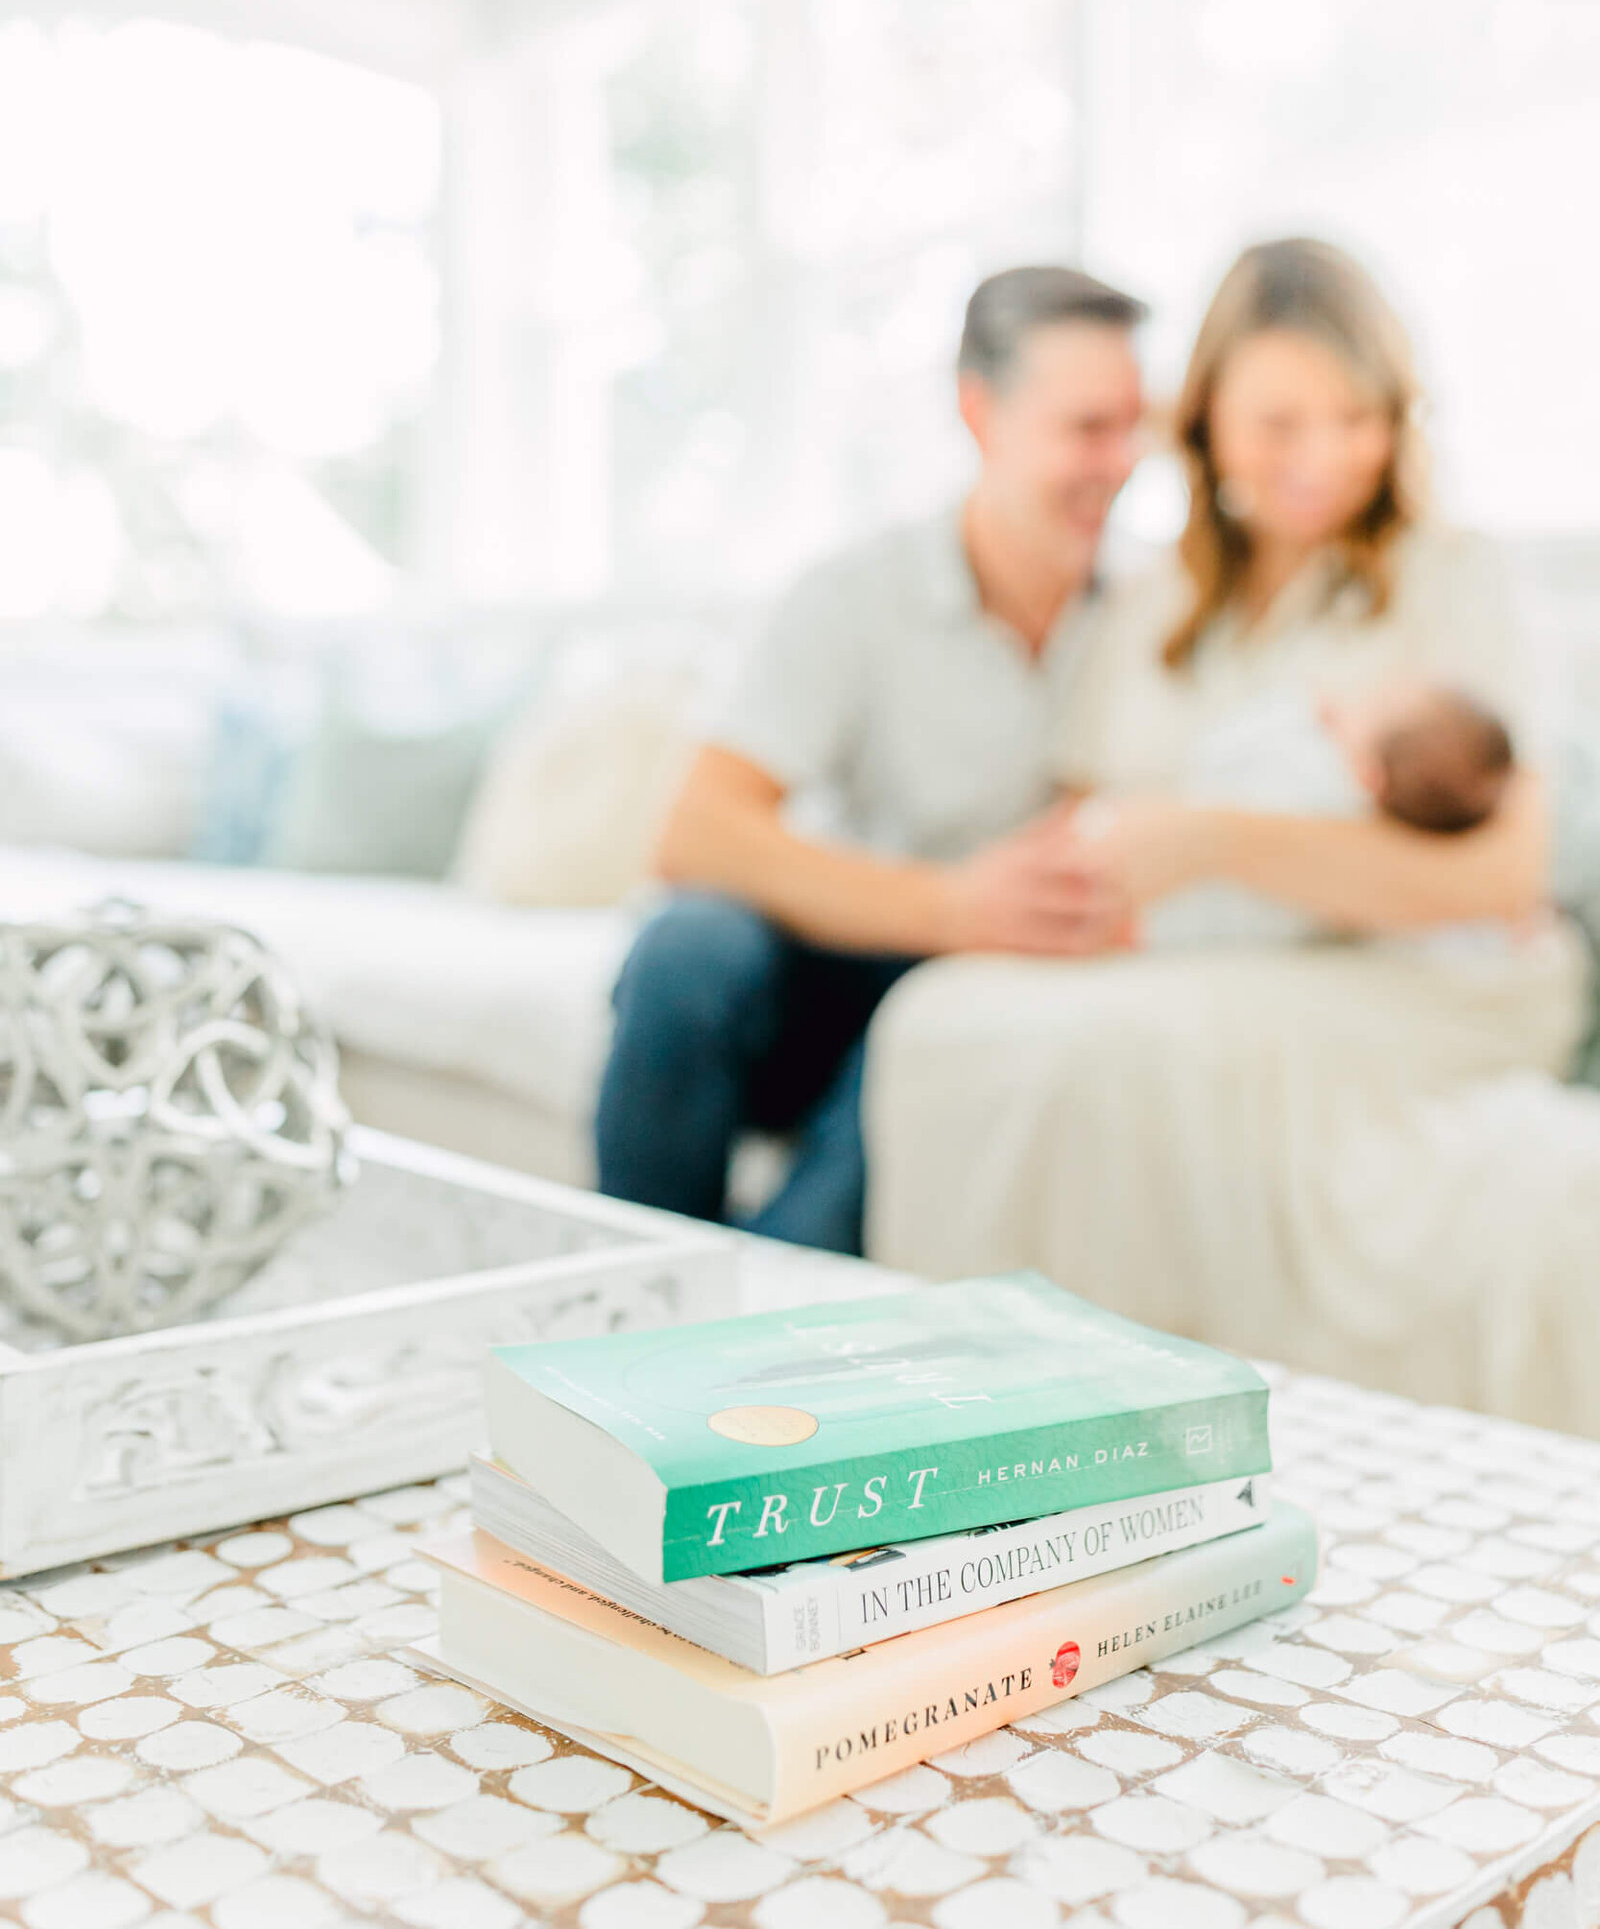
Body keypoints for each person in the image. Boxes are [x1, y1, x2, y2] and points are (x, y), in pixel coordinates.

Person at [865, 239, 1587, 1395]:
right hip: (1192, 953)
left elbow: (1497, 880)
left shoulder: (1456, 577)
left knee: (1111, 1055)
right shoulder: (1154, 602)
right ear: (1198, 423)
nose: (1324, 458)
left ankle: (1121, 1415)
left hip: (1422, 979)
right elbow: (1086, 814)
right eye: (1278, 423)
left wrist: (1209, 839)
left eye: (1354, 419)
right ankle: (955, 1404)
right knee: (942, 1020)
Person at [592, 263, 1148, 1253]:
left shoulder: (1150, 614)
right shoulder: (857, 594)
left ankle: (748, 1327)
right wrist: (949, 906)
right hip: (839, 949)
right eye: (1087, 428)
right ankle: (636, 1282)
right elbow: (694, 832)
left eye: (1134, 425)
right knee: (685, 949)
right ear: (980, 414)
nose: (1122, 461)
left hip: (979, 993)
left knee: (937, 1044)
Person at [1074, 675, 1519, 949]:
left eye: (1371, 706)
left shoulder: (1313, 767)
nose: (1350, 703)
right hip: (1183, 921)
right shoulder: (1376, 864)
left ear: (1369, 776)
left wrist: (1302, 710)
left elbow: (1216, 758)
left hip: (1145, 874)